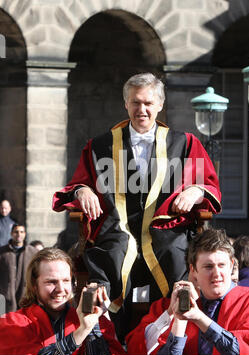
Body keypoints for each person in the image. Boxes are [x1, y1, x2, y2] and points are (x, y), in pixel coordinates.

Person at [52, 72, 221, 339]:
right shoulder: (100, 145)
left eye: (148, 103)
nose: (141, 109)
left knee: (175, 254)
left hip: (165, 231)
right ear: (126, 104)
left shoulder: (185, 144)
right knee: (112, 256)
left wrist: (196, 191)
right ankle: (104, 340)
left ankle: (171, 339)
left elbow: (209, 184)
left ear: (160, 105)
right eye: (135, 103)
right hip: (116, 230)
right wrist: (83, 190)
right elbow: (77, 182)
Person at [125, 228, 249, 355]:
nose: (217, 274)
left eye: (221, 265)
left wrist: (199, 318)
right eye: (208, 267)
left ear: (232, 265)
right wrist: (174, 317)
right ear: (193, 270)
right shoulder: (172, 306)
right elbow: (140, 351)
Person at [0, 247, 127, 355]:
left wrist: (92, 328)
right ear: (34, 285)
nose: (61, 289)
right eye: (51, 282)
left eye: (66, 281)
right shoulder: (12, 323)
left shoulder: (95, 322)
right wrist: (81, 332)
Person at [0, 224, 37, 312]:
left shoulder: (33, 252)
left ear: (25, 234)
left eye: (21, 232)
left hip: (25, 294)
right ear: (11, 233)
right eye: (16, 232)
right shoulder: (2, 252)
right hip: (6, 295)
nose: (19, 234)